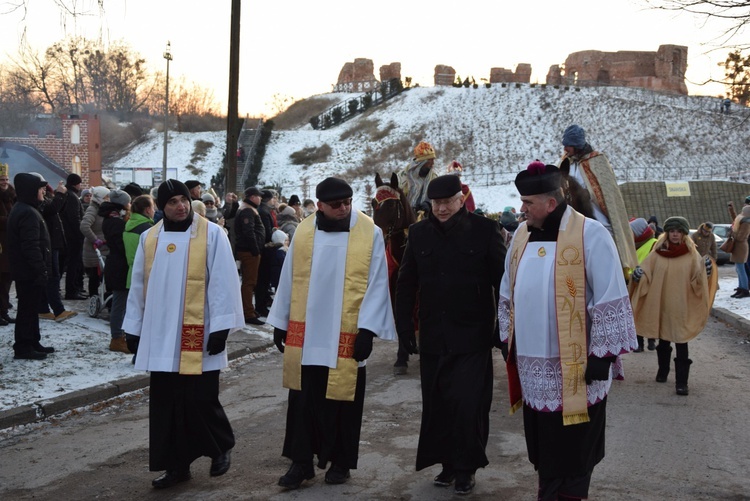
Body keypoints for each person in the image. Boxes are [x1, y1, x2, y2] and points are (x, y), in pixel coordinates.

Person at [497, 161, 637, 501]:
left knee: (575, 451)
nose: (522, 209)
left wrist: (603, 355)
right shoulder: (520, 236)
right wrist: (505, 335)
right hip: (536, 373)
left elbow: (610, 295)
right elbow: (507, 289)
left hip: (578, 369)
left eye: (528, 203)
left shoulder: (591, 234)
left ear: (551, 202)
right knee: (546, 449)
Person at [267, 177, 396, 490]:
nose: (344, 209)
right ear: (320, 205)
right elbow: (289, 278)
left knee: (343, 400)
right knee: (303, 400)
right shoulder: (305, 232)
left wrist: (367, 329)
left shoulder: (370, 232)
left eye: (348, 202)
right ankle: (301, 463)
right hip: (308, 332)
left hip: (346, 333)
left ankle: (340, 462)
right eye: (336, 205)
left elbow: (378, 283)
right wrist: (281, 321)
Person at [122, 179, 244, 489]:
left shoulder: (212, 235)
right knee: (167, 404)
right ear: (162, 207)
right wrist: (134, 329)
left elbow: (223, 282)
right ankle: (177, 466)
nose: (181, 206)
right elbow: (138, 287)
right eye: (173, 201)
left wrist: (220, 327)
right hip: (161, 336)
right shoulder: (150, 239)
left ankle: (220, 446)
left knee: (201, 398)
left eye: (184, 200)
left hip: (199, 335)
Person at [395, 174, 505, 495]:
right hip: (433, 336)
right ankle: (447, 463)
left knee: (468, 404)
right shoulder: (418, 234)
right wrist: (404, 329)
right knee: (439, 404)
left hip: (473, 336)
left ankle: (466, 468)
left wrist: (503, 327)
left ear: (461, 199)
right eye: (436, 203)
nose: (442, 209)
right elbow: (405, 284)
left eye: (448, 202)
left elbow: (503, 284)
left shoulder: (485, 231)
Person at [629, 216, 713, 396]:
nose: (675, 235)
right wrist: (638, 276)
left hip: (681, 306)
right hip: (662, 305)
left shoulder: (691, 255)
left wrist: (705, 273)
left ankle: (682, 382)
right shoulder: (657, 253)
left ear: (684, 234)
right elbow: (646, 274)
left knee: (681, 341)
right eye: (672, 231)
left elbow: (698, 280)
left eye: (679, 231)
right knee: (663, 340)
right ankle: (663, 371)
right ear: (667, 233)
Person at [558, 124, 638, 277]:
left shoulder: (597, 161)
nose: (565, 149)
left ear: (576, 145)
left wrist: (586, 194)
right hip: (574, 213)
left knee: (606, 232)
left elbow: (608, 192)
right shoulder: (566, 162)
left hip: (597, 211)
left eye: (568, 145)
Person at [7, 172, 55, 360]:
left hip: (27, 271)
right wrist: (41, 269)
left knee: (31, 308)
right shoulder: (26, 212)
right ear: (30, 191)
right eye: (40, 188)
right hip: (28, 272)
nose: (43, 191)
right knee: (27, 309)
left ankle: (33, 340)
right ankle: (23, 346)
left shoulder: (25, 208)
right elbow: (31, 246)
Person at [36, 179, 77, 323]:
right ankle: (58, 310)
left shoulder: (44, 200)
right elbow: (52, 209)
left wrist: (61, 195)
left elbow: (57, 208)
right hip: (49, 244)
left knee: (50, 276)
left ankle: (43, 309)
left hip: (53, 243)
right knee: (52, 277)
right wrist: (59, 195)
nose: (44, 190)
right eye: (41, 188)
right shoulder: (36, 203)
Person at [100, 189, 132, 354]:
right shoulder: (116, 222)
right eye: (128, 202)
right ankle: (116, 338)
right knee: (119, 304)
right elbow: (121, 245)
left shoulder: (112, 218)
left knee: (122, 302)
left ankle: (120, 336)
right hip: (119, 266)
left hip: (117, 264)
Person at [234, 186, 266, 325]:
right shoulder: (247, 210)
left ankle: (249, 310)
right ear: (253, 197)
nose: (261, 199)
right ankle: (248, 313)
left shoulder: (247, 208)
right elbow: (249, 232)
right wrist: (255, 249)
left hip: (248, 250)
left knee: (249, 282)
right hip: (249, 251)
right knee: (249, 282)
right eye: (259, 196)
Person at [629, 217, 659, 352]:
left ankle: (651, 341)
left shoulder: (654, 244)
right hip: (634, 284)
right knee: (637, 314)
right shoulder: (633, 246)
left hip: (650, 285)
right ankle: (639, 343)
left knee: (649, 314)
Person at [80, 186, 109, 297]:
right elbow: (84, 226)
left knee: (101, 277)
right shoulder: (93, 209)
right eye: (106, 197)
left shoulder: (102, 209)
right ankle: (94, 298)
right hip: (94, 250)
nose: (108, 199)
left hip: (102, 250)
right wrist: (95, 239)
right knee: (94, 278)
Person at [61, 173, 86, 300]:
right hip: (73, 236)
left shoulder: (68, 194)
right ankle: (71, 291)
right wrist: (80, 233)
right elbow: (74, 217)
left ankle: (74, 289)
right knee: (73, 264)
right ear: (76, 184)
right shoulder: (72, 197)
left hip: (69, 235)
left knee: (73, 263)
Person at [123, 194, 155, 290]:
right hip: (146, 276)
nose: (154, 211)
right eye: (153, 207)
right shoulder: (147, 229)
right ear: (148, 210)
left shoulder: (129, 224)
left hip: (132, 273)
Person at [399, 141, 439, 215]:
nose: (433, 163)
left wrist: (428, 203)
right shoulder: (403, 175)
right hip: (405, 216)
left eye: (433, 160)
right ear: (422, 162)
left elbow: (437, 197)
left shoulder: (434, 177)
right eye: (430, 160)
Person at [255, 189, 277, 317]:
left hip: (265, 249)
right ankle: (261, 306)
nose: (274, 201)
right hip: (266, 249)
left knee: (263, 280)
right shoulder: (264, 212)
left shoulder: (264, 211)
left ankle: (262, 304)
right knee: (263, 280)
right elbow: (266, 233)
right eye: (273, 198)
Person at [0, 163, 16, 325]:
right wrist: (12, 221)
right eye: (1, 179)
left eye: (5, 179)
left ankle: (3, 311)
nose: (4, 182)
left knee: (6, 281)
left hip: (9, 245)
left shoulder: (11, 196)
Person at [728, 205, 750, 298]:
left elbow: (741, 237)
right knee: (738, 269)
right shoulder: (742, 221)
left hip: (741, 248)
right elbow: (735, 218)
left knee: (741, 270)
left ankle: (744, 290)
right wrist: (731, 210)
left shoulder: (746, 223)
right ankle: (741, 288)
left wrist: (733, 233)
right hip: (739, 248)